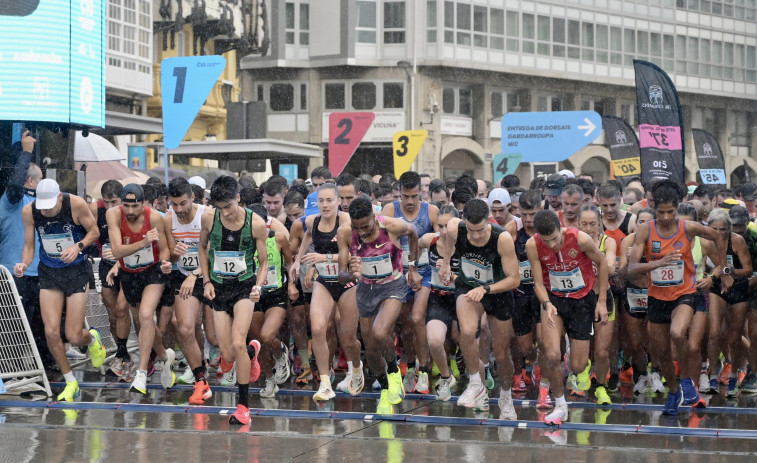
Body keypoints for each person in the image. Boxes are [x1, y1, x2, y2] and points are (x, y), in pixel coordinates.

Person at [629, 180, 730, 416]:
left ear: (678, 207)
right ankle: (673, 392)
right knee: (662, 353)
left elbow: (720, 237)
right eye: (661, 212)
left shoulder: (688, 227)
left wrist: (723, 271)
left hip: (684, 293)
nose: (665, 217)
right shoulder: (645, 230)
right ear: (654, 209)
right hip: (657, 297)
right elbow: (632, 268)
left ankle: (686, 381)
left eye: (670, 212)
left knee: (677, 333)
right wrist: (658, 263)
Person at [14, 179, 105, 402]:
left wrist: (78, 246)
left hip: (76, 271)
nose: (46, 210)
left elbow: (94, 232)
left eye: (50, 205)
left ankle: (92, 339)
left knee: (73, 334)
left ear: (59, 197)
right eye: (42, 205)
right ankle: (70, 380)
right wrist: (24, 264)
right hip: (49, 272)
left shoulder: (75, 204)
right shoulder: (30, 211)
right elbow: (29, 246)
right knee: (51, 331)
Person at [339, 197, 422, 414]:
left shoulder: (391, 225)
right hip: (366, 290)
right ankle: (385, 390)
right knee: (372, 349)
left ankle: (394, 373)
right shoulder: (346, 233)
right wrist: (351, 272)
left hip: (392, 286)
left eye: (365, 226)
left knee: (380, 331)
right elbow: (341, 276)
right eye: (357, 227)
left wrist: (412, 267)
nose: (362, 232)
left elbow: (413, 232)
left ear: (374, 218)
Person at [439, 199, 521, 419]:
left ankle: (506, 395)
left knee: (502, 353)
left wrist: (486, 288)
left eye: (480, 230)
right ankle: (476, 383)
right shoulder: (456, 227)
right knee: (466, 332)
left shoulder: (501, 238)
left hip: (497, 291)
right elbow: (448, 242)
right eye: (472, 230)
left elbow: (514, 280)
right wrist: (446, 262)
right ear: (465, 221)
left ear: (489, 222)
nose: (475, 236)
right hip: (469, 286)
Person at [526, 209, 609, 424]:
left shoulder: (580, 239)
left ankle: (574, 356)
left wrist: (601, 302)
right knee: (551, 354)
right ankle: (560, 404)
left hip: (582, 300)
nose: (552, 245)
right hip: (554, 300)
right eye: (547, 241)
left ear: (561, 227)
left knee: (578, 366)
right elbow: (537, 282)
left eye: (555, 239)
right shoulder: (533, 245)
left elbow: (602, 263)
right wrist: (546, 303)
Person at [199, 176, 269, 425]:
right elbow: (202, 248)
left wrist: (258, 287)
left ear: (238, 198)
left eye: (229, 206)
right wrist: (206, 281)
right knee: (227, 352)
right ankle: (252, 352)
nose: (225, 213)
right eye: (220, 208)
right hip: (218, 288)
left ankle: (243, 408)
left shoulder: (256, 224)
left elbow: (264, 262)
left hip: (244, 287)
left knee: (237, 344)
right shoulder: (209, 218)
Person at [293, 183, 363, 401]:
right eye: (321, 201)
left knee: (348, 337)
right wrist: (296, 262)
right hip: (324, 281)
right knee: (317, 328)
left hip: (347, 282)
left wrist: (323, 258)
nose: (325, 205)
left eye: (329, 200)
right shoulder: (312, 222)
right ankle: (325, 383)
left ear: (338, 201)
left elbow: (354, 257)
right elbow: (306, 237)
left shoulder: (346, 223)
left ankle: (357, 369)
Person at [106, 184, 176, 395]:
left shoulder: (154, 218)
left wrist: (165, 263)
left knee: (146, 315)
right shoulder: (113, 215)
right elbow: (117, 250)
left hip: (152, 272)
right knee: (140, 320)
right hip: (129, 273)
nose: (130, 211)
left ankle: (141, 374)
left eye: (135, 206)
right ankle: (164, 355)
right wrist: (145, 241)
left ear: (143, 204)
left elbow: (164, 249)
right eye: (126, 205)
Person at [0, 132, 55, 372]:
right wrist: (26, 152)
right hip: (15, 275)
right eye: (40, 180)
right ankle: (10, 370)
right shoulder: (12, 200)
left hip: (39, 273)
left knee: (41, 324)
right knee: (14, 326)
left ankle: (44, 367)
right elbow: (14, 182)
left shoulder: (39, 205)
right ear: (30, 181)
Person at [381, 171, 439, 394]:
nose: (410, 201)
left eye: (414, 196)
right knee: (405, 326)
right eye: (405, 196)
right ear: (399, 193)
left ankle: (424, 368)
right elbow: (385, 241)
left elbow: (443, 239)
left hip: (425, 273)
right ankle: (412, 365)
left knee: (417, 318)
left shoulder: (430, 211)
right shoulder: (389, 210)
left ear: (421, 193)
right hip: (399, 273)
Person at [163, 178, 213, 404]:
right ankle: (201, 380)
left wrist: (196, 274)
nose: (179, 209)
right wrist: (172, 255)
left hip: (210, 276)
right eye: (174, 204)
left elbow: (214, 255)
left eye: (183, 203)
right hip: (185, 278)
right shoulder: (168, 218)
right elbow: (169, 256)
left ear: (193, 197)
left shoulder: (207, 215)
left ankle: (224, 361)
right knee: (183, 327)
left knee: (214, 337)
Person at [701, 208, 752, 397]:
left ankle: (733, 374)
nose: (719, 233)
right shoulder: (705, 241)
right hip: (717, 287)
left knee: (735, 335)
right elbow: (699, 263)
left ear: (729, 229)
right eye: (715, 229)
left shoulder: (737, 241)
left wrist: (730, 272)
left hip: (738, 287)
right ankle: (713, 374)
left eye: (723, 229)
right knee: (714, 332)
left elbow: (748, 269)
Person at [247, 204, 294, 399]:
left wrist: (292, 283)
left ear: (267, 223)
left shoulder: (279, 238)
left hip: (276, 294)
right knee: (257, 341)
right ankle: (269, 379)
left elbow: (290, 262)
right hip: (254, 295)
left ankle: (281, 351)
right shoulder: (245, 241)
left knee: (267, 336)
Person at [504, 190, 545, 407]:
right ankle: (531, 361)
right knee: (524, 344)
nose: (529, 219)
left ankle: (542, 370)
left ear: (541, 208)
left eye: (533, 214)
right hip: (519, 294)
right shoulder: (513, 229)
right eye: (524, 214)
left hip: (542, 293)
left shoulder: (547, 225)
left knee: (545, 338)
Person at [89, 180, 133, 379]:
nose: (109, 207)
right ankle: (120, 353)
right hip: (106, 264)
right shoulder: (97, 211)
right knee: (112, 313)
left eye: (113, 202)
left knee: (123, 309)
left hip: (127, 265)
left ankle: (131, 356)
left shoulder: (128, 212)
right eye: (106, 202)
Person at [576, 204, 616, 405]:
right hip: (580, 301)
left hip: (603, 298)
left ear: (600, 223)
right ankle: (582, 368)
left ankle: (601, 386)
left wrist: (596, 266)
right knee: (581, 354)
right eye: (584, 224)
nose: (588, 228)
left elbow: (608, 268)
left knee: (602, 351)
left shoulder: (609, 242)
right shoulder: (572, 242)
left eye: (592, 224)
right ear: (578, 224)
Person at [419, 205, 460, 401]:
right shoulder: (431, 240)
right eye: (440, 226)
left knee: (466, 338)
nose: (444, 231)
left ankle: (480, 378)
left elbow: (476, 280)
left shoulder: (466, 245)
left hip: (463, 298)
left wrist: (452, 276)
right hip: (439, 297)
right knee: (434, 341)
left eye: (448, 226)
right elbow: (413, 240)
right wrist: (411, 267)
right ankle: (446, 377)